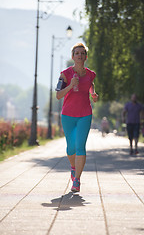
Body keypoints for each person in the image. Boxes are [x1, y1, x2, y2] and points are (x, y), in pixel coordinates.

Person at [56, 42, 98, 192]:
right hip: (68, 115)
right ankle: (73, 167)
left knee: (80, 147)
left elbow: (90, 83)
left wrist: (93, 93)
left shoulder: (90, 74)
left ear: (86, 56)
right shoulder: (65, 74)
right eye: (77, 53)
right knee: (71, 147)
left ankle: (77, 180)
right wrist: (70, 85)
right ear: (73, 56)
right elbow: (58, 95)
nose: (80, 55)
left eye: (82, 53)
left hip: (85, 114)